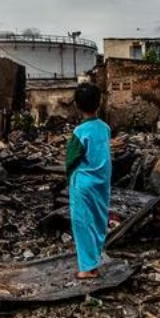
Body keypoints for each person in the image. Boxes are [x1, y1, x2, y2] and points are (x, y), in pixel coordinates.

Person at [65, 83, 112, 279]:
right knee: (99, 220)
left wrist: (69, 177)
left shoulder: (79, 132)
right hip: (101, 182)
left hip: (83, 184)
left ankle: (87, 268)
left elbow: (71, 159)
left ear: (77, 105)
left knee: (82, 223)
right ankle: (95, 258)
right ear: (99, 103)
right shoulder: (105, 128)